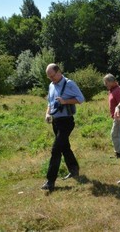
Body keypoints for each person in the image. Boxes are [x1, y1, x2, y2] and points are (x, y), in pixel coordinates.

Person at [41, 63, 85, 192]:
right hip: (56, 121)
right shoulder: (51, 85)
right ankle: (74, 169)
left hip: (67, 121)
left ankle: (50, 181)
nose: (51, 79)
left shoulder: (69, 83)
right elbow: (50, 102)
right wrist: (48, 113)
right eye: (49, 77)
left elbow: (81, 99)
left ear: (59, 71)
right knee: (64, 147)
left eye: (52, 76)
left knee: (56, 149)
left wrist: (65, 101)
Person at [103, 74, 120, 158]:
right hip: (116, 116)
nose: (105, 84)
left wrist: (119, 116)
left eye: (106, 82)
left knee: (114, 134)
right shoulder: (112, 90)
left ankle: (119, 153)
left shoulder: (117, 90)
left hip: (119, 117)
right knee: (119, 134)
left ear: (112, 82)